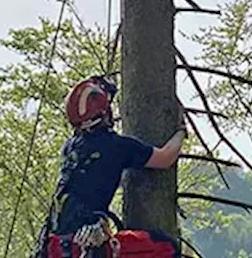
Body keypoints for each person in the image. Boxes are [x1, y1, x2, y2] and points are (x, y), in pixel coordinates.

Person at [37, 75, 185, 258]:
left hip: (54, 245)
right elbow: (165, 158)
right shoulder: (117, 146)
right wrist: (181, 131)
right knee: (166, 247)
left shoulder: (71, 147)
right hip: (85, 245)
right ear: (103, 112)